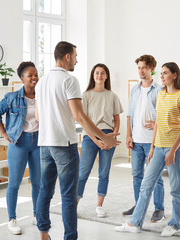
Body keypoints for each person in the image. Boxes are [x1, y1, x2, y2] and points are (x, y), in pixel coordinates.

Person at [34, 41, 120, 240]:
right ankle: (70, 237)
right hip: (64, 144)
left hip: (44, 144)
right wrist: (104, 136)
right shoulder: (69, 80)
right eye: (75, 56)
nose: (77, 60)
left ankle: (44, 233)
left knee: (45, 192)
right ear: (66, 57)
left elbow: (38, 117)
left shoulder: (42, 82)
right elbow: (79, 116)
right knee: (68, 197)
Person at [115, 62, 180, 237]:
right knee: (146, 186)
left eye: (165, 73)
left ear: (174, 75)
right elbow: (158, 124)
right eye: (161, 73)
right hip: (158, 147)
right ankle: (135, 222)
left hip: (174, 149)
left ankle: (176, 223)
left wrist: (172, 150)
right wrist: (153, 147)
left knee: (176, 188)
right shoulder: (161, 94)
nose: (161, 76)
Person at [0, 61, 41, 235]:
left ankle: (37, 215)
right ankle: (12, 219)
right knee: (14, 184)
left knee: (37, 183)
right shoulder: (11, 97)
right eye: (30, 75)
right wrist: (4, 134)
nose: (34, 78)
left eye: (35, 75)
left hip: (39, 143)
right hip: (18, 143)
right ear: (22, 78)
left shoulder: (42, 96)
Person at [123, 54, 165, 223]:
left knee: (156, 177)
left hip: (152, 141)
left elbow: (165, 114)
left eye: (144, 68)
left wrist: (156, 123)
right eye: (139, 67)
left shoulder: (160, 90)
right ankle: (139, 204)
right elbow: (129, 114)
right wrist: (128, 135)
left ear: (151, 69)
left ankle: (159, 208)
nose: (140, 71)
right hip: (136, 141)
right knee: (136, 175)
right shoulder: (134, 89)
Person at [77, 63, 123, 218]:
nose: (99, 76)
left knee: (104, 172)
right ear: (93, 75)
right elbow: (83, 121)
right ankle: (74, 204)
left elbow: (117, 119)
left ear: (106, 76)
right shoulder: (86, 95)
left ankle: (99, 205)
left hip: (109, 134)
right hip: (90, 136)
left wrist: (113, 136)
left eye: (102, 73)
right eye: (97, 73)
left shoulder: (112, 96)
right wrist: (96, 140)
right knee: (83, 172)